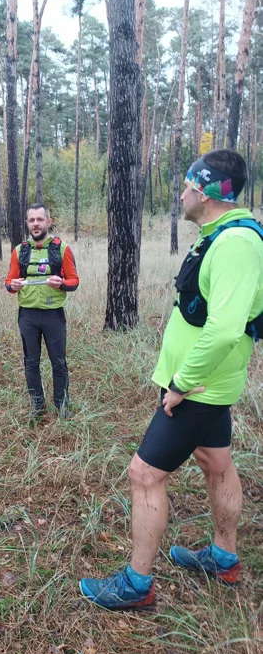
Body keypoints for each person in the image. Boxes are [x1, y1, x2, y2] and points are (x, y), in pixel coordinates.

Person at [79, 149, 263, 611]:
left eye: (186, 186)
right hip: (206, 384)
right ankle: (223, 557)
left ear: (202, 190)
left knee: (143, 475)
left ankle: (136, 586)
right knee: (216, 462)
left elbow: (223, 328)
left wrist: (181, 383)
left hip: (198, 388)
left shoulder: (237, 243)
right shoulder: (220, 234)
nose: (181, 194)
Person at [5, 203, 79, 421]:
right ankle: (37, 407)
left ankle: (62, 406)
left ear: (48, 221)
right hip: (27, 315)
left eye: (39, 219)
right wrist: (13, 286)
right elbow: (9, 282)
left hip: (53, 315)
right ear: (27, 223)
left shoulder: (62, 248)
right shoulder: (20, 250)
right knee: (31, 362)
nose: (35, 224)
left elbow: (74, 281)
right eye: (31, 220)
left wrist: (62, 284)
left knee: (58, 362)